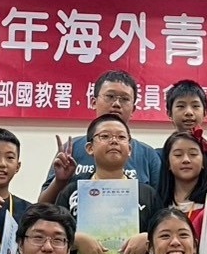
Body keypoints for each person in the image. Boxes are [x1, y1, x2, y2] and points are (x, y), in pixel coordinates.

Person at [55, 113, 160, 254]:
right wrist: (76, 239)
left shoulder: (147, 194)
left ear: (129, 149)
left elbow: (164, 233)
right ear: (89, 148)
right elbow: (55, 234)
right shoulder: (72, 192)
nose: (114, 141)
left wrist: (148, 239)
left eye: (121, 137)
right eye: (105, 136)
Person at [38, 70, 162, 203]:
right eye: (110, 96)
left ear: (133, 109)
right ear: (93, 102)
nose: (116, 104)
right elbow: (43, 205)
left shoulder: (148, 155)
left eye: (125, 99)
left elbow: (159, 206)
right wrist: (59, 182)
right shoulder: (71, 149)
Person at [157, 129, 207, 221]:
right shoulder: (156, 203)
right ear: (168, 163)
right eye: (178, 155)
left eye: (193, 154)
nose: (186, 160)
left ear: (204, 162)